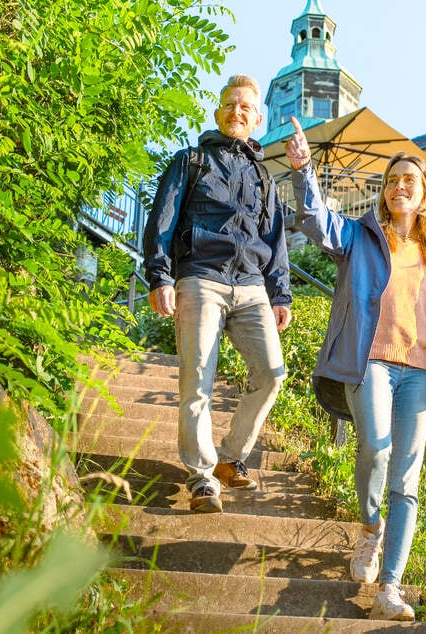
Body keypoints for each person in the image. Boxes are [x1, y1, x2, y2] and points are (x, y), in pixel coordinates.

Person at [284, 116, 426, 621]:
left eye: (410, 181)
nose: (400, 186)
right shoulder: (357, 238)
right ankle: (371, 528)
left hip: (420, 373)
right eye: (392, 179)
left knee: (408, 478)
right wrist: (302, 169)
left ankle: (391, 588)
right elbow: (315, 220)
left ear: (424, 196)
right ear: (384, 193)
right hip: (370, 363)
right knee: (375, 449)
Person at [143, 74, 293, 514]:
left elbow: (276, 238)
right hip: (200, 278)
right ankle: (202, 476)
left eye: (246, 107)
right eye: (230, 105)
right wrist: (160, 276)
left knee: (272, 374)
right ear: (217, 113)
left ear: (257, 119)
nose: (237, 112)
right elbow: (162, 220)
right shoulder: (190, 161)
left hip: (250, 286)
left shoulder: (265, 177)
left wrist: (279, 292)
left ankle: (230, 456)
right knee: (198, 379)